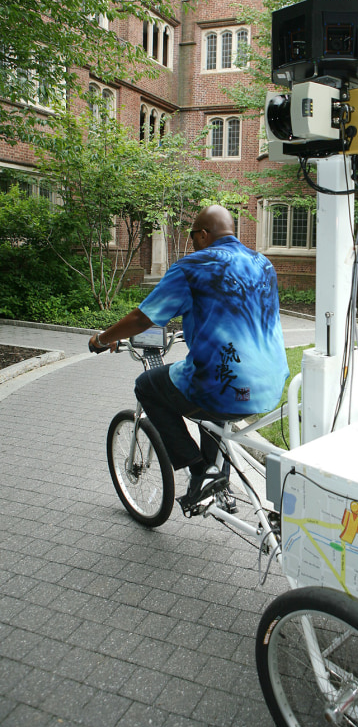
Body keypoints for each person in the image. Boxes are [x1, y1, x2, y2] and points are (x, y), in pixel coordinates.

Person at [89, 204, 289, 513]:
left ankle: (200, 469)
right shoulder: (263, 264)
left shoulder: (193, 267)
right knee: (217, 393)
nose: (192, 242)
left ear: (205, 234)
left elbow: (144, 319)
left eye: (193, 236)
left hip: (220, 387)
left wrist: (104, 338)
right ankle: (216, 480)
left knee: (147, 385)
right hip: (271, 386)